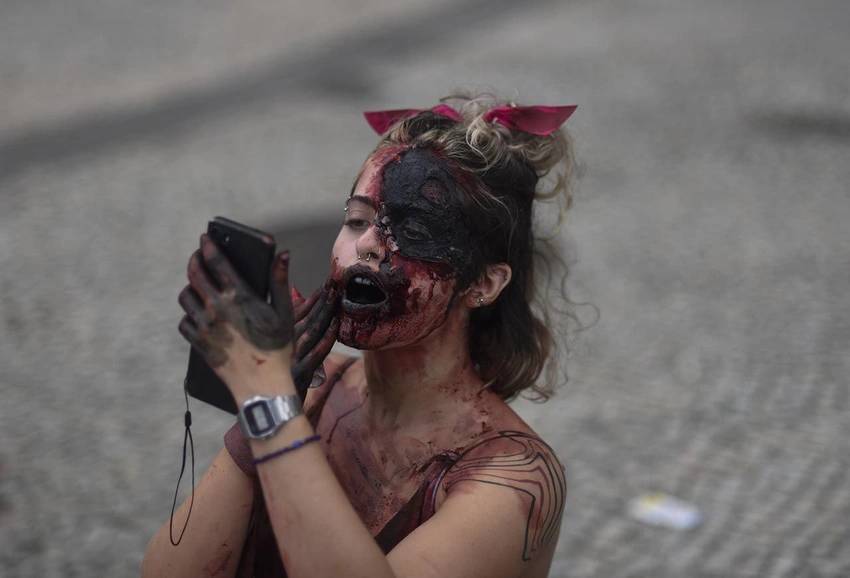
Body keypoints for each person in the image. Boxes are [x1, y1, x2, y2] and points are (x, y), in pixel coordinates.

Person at [142, 93, 576, 578]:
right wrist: (260, 417)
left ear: (483, 283)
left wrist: (268, 405)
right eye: (357, 220)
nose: (368, 244)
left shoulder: (512, 476)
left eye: (412, 230)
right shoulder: (312, 388)